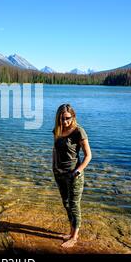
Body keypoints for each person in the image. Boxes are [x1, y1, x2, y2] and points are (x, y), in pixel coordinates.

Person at [52, 104, 92, 248]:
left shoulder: (78, 131)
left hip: (74, 175)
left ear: (73, 117)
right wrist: (54, 167)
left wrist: (77, 171)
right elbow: (55, 150)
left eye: (67, 118)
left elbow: (88, 155)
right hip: (59, 174)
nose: (65, 121)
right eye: (61, 118)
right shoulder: (58, 130)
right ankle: (71, 231)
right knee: (66, 204)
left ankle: (74, 237)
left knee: (74, 205)